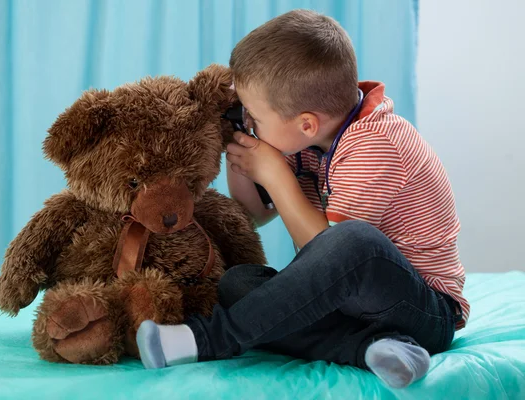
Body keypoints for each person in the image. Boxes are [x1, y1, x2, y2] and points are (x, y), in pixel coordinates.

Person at [135, 9, 468, 389]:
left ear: (306, 122)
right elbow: (253, 215)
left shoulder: (376, 145)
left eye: (254, 117)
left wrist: (274, 173)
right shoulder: (305, 138)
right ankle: (372, 349)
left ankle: (206, 338)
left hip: (422, 310)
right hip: (352, 310)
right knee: (238, 285)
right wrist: (239, 151)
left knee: (353, 239)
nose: (249, 122)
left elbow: (334, 250)